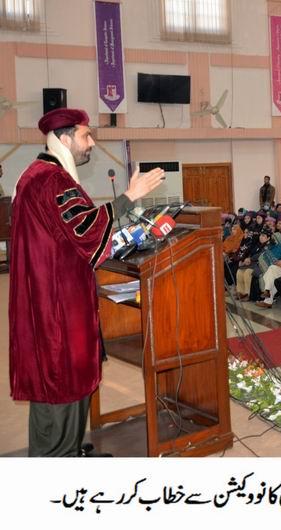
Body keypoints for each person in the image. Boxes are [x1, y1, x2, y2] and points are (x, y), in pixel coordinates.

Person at [10, 108, 165, 456]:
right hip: (58, 309)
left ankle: (66, 451)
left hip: (49, 301)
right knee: (62, 383)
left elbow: (71, 234)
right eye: (86, 135)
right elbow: (86, 230)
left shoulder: (34, 176)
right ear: (64, 138)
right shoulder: (51, 180)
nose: (91, 142)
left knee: (56, 386)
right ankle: (59, 461)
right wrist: (129, 197)